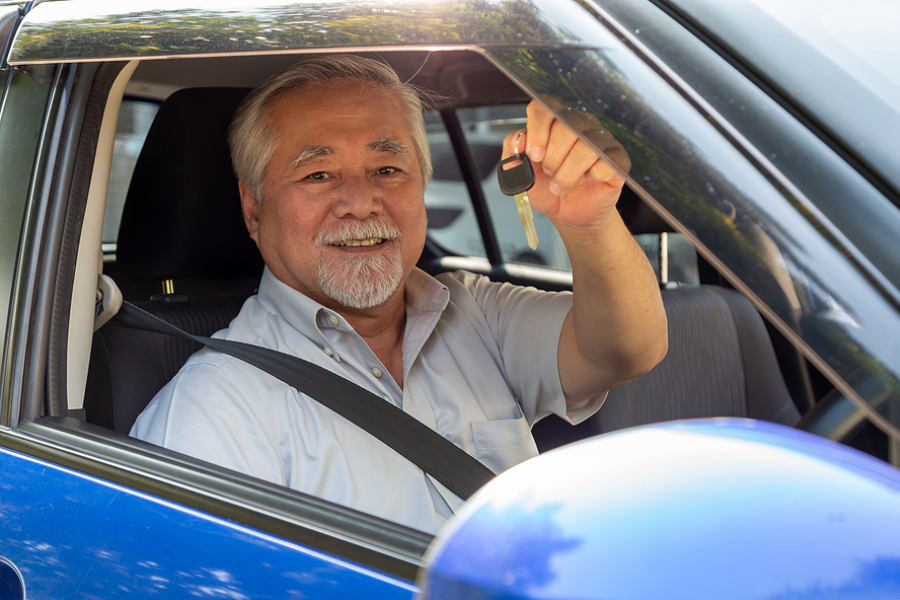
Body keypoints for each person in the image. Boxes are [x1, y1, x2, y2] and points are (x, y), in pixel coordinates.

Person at [131, 55, 668, 534]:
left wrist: (591, 221)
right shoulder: (213, 411)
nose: (361, 202)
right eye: (318, 174)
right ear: (254, 209)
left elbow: (624, 350)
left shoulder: (476, 311)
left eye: (388, 169)